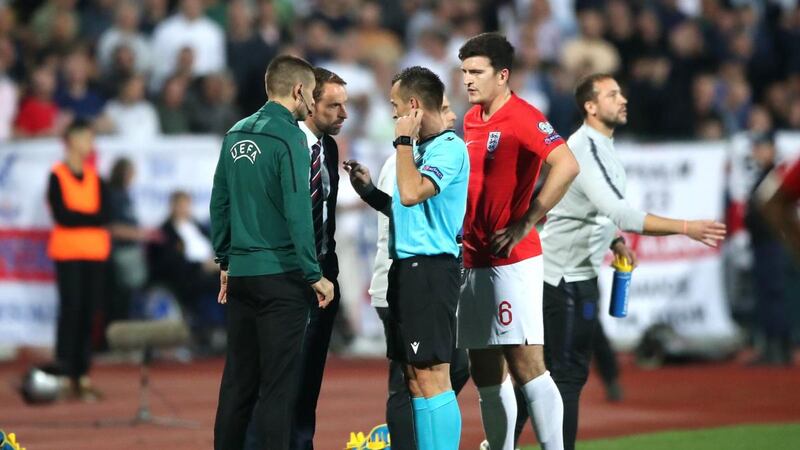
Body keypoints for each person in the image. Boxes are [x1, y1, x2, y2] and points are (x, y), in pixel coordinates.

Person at [539, 73, 726, 450]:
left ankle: (503, 442)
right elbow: (621, 212)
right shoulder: (585, 149)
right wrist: (686, 226)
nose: (622, 99)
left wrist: (615, 241)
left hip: (579, 276)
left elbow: (595, 212)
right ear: (590, 107)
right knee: (563, 377)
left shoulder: (602, 145)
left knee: (552, 376)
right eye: (612, 95)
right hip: (560, 279)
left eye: (621, 93)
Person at [457, 32, 578, 450]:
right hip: (472, 260)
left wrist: (528, 220)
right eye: (464, 71)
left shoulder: (523, 116)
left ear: (503, 75)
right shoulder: (472, 118)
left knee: (527, 366)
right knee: (486, 373)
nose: (468, 80)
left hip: (512, 260)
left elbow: (566, 164)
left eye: (476, 72)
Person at [210, 54, 335, 450]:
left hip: (242, 276)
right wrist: (313, 273)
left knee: (237, 384)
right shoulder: (291, 138)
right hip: (281, 278)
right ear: (299, 91)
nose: (313, 104)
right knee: (279, 389)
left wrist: (224, 261)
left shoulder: (235, 133)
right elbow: (299, 210)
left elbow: (220, 203)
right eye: (313, 96)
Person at [346, 66, 469, 450]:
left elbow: (413, 193)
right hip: (407, 271)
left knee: (434, 376)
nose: (394, 112)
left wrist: (401, 141)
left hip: (431, 271)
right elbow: (403, 208)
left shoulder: (449, 147)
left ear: (413, 106)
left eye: (396, 105)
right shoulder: (418, 149)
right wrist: (367, 191)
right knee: (415, 378)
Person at [247, 66, 348, 450]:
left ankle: (300, 444)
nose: (343, 114)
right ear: (308, 103)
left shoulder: (330, 148)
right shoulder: (283, 146)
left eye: (345, 105)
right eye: (333, 105)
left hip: (324, 271)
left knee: (308, 378)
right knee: (275, 377)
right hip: (287, 274)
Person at [45, 119, 111, 401]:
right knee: (70, 313)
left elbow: (105, 215)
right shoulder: (57, 175)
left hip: (94, 254)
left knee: (88, 314)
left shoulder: (97, 178)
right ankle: (62, 374)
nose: (90, 144)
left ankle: (81, 374)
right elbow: (62, 215)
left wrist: (81, 218)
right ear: (71, 140)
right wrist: (89, 219)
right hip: (69, 253)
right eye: (86, 138)